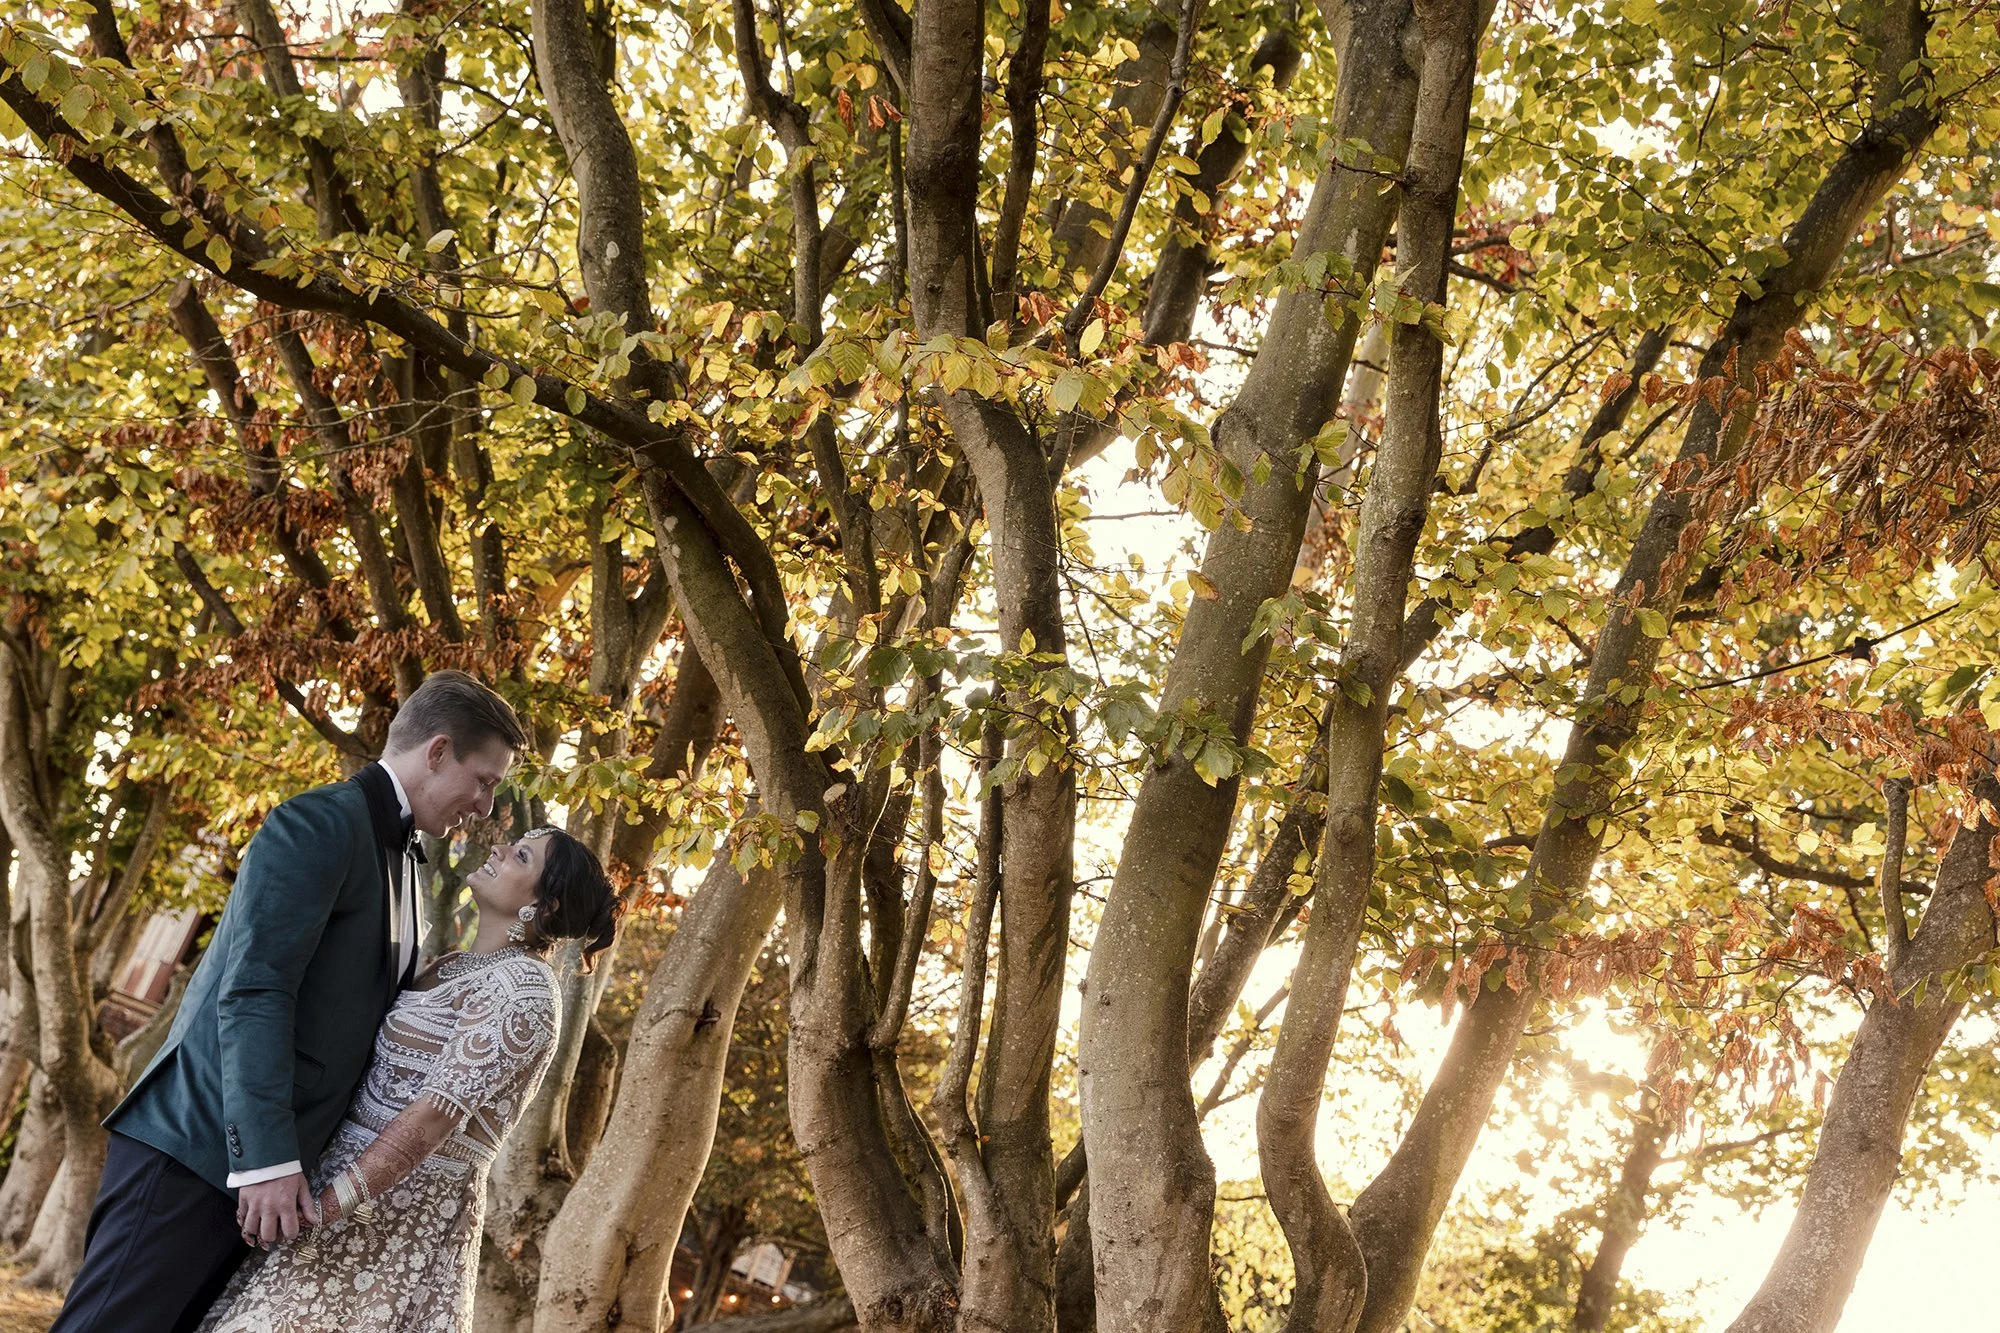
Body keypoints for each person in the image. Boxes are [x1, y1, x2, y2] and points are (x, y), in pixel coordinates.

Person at [51, 670, 528, 1333]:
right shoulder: (318, 823)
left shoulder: (408, 867)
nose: (484, 806)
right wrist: (268, 1161)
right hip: (199, 1152)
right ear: (438, 750)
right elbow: (255, 992)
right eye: (484, 780)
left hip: (261, 1184)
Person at [196, 826, 619, 1333]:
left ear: (545, 906)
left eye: (520, 856)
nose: (499, 849)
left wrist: (328, 1208)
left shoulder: (525, 990)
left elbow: (435, 1114)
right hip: (333, 1181)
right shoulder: (455, 966)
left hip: (395, 1214)